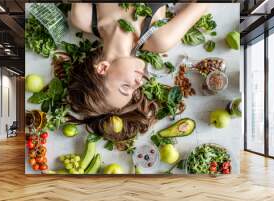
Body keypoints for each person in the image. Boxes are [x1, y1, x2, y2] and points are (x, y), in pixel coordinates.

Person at [67, 3, 208, 142]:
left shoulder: (83, 16)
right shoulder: (160, 40)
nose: (139, 83)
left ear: (103, 68)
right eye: (134, 90)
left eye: (125, 87)